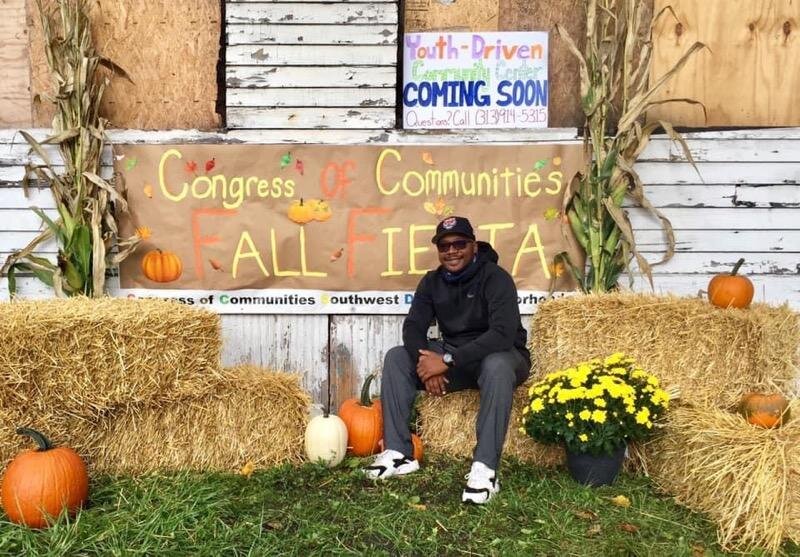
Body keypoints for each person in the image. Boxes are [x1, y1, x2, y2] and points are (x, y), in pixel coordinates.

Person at [364, 216, 531, 504]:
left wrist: (448, 360)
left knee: (496, 365)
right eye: (444, 246)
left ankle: (485, 468)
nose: (451, 251)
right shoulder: (431, 282)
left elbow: (502, 335)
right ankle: (399, 453)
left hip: (501, 357)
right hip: (458, 359)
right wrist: (428, 367)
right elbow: (413, 328)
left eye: (459, 244)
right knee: (396, 357)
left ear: (474, 246)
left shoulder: (496, 277)